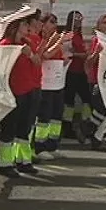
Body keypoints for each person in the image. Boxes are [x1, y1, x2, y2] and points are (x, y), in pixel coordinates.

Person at [0, 6, 41, 178]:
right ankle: (4, 163)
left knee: (25, 127)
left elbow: (37, 62)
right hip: (11, 93)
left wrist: (29, 54)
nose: (26, 28)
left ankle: (24, 160)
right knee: (8, 128)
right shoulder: (5, 45)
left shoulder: (27, 43)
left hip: (29, 90)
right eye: (23, 25)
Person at [33, 13, 69, 159]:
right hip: (45, 84)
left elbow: (56, 56)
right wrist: (59, 42)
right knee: (44, 116)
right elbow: (45, 54)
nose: (54, 25)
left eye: (55, 22)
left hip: (57, 83)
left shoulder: (55, 40)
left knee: (56, 115)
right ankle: (39, 147)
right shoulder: (40, 39)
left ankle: (52, 144)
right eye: (51, 22)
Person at [82, 14, 106, 152]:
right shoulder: (97, 40)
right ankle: (89, 130)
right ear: (99, 25)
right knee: (102, 109)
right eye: (104, 22)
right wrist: (97, 52)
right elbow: (89, 62)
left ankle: (93, 133)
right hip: (97, 80)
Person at [62, 10, 92, 142]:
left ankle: (85, 123)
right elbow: (68, 52)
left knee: (87, 99)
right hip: (71, 71)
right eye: (76, 19)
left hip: (81, 71)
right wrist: (82, 55)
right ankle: (67, 126)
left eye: (80, 19)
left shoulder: (79, 35)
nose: (78, 21)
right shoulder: (67, 35)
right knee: (69, 101)